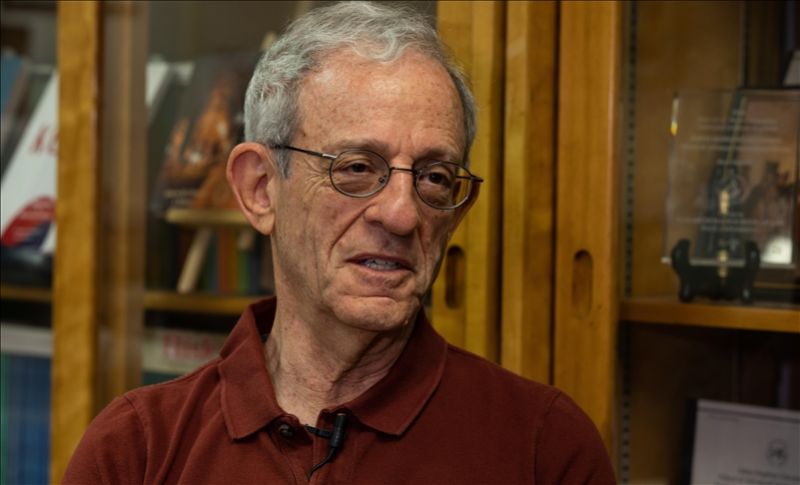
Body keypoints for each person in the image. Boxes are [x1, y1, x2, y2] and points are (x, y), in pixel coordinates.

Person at [64, 2, 616, 483]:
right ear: (260, 189)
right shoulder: (137, 449)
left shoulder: (544, 448)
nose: (402, 214)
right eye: (356, 167)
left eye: (434, 177)